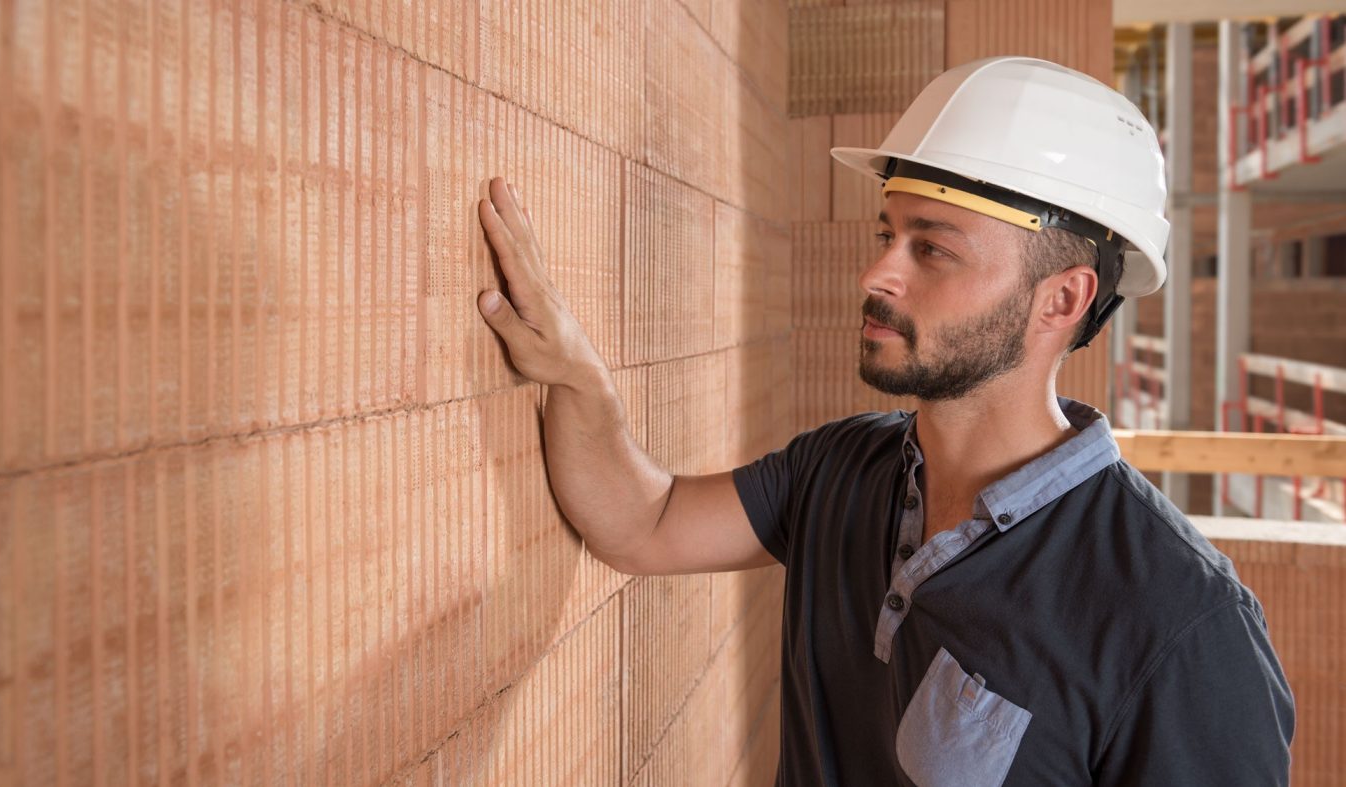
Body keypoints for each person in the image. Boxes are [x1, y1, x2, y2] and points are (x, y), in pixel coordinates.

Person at [473, 57, 1294, 786]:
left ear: (1062, 298)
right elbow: (643, 523)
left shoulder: (1181, 620)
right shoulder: (843, 467)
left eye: (931, 249)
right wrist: (579, 380)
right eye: (885, 234)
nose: (876, 273)